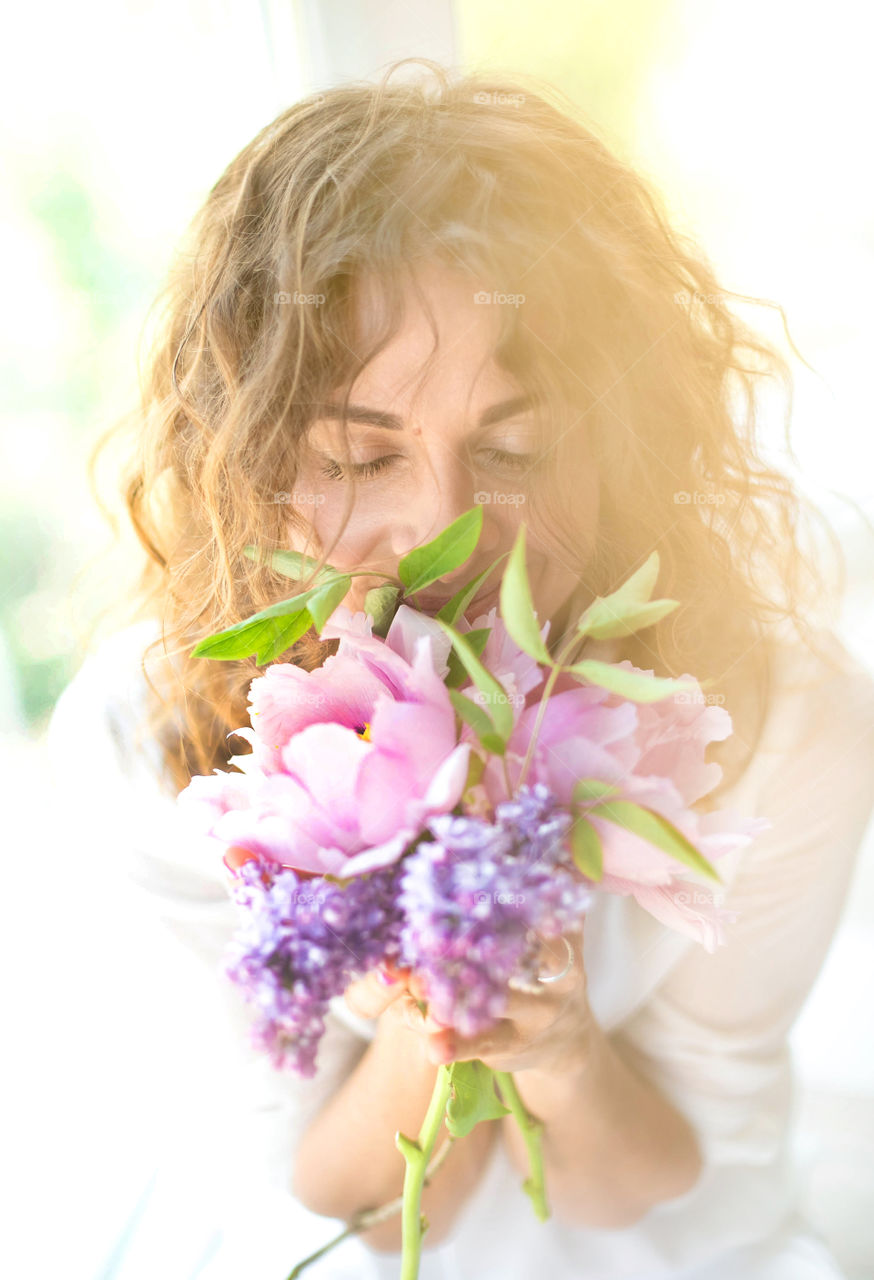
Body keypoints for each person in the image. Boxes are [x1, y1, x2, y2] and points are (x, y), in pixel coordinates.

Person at [46, 59, 874, 1278]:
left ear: (622, 448)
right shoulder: (144, 733)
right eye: (356, 457)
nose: (444, 527)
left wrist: (558, 1045)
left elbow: (680, 1181)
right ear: (247, 458)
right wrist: (428, 997)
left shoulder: (780, 720)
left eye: (516, 447)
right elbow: (332, 1204)